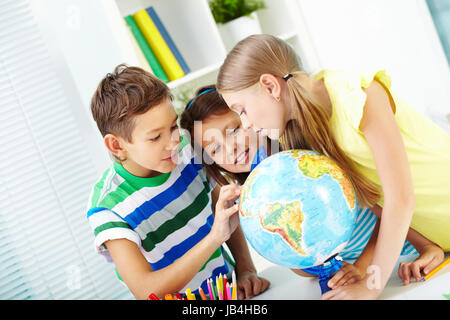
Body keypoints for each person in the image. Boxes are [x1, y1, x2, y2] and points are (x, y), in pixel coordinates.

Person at [215, 34, 450, 299]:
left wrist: (371, 286)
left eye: (242, 109)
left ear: (270, 86)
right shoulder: (296, 132)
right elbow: (374, 199)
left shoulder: (358, 95)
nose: (245, 124)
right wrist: (426, 246)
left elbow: (401, 198)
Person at [179, 84, 443, 293]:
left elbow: (381, 203)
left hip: (401, 251)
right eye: (214, 148)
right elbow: (300, 265)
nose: (230, 148)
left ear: (251, 118)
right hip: (380, 272)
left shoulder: (305, 157)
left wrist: (418, 249)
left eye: (234, 130)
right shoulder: (254, 197)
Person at [86, 64, 269, 300]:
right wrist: (214, 238)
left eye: (173, 126)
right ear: (117, 146)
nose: (173, 141)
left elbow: (225, 216)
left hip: (232, 296)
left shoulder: (188, 151)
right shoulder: (108, 207)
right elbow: (145, 289)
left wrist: (246, 270)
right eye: (155, 137)